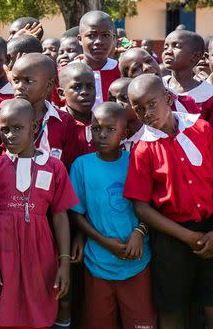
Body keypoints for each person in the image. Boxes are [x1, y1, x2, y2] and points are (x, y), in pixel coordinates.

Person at [124, 73, 213, 329]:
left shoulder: (201, 128)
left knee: (210, 303)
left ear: (167, 97)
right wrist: (186, 237)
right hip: (172, 237)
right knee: (172, 307)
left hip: (209, 228)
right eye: (139, 109)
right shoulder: (142, 149)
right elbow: (140, 206)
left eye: (152, 104)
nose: (147, 112)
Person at [0, 98, 77, 328]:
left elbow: (60, 216)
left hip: (41, 255)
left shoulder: (54, 166)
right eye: (4, 130)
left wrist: (64, 263)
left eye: (18, 128)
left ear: (34, 127)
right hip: (4, 255)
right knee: (5, 313)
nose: (10, 135)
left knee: (40, 313)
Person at [69, 102, 156, 329]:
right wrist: (105, 242)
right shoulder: (81, 166)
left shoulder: (136, 161)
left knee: (142, 323)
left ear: (124, 133)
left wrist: (139, 232)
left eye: (110, 129)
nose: (102, 135)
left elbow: (151, 206)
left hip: (137, 261)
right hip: (98, 262)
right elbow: (77, 215)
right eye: (96, 129)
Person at [0, 53, 80, 169]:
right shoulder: (2, 116)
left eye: (28, 81)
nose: (19, 87)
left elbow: (69, 167)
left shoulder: (64, 122)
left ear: (50, 85)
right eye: (15, 80)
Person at [119, 47, 200, 114]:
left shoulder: (186, 102)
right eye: (136, 68)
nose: (147, 67)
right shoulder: (128, 118)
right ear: (128, 79)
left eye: (149, 61)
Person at [162, 30, 213, 124]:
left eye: (176, 46)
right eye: (165, 47)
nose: (168, 52)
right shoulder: (159, 87)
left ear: (195, 56)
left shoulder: (208, 94)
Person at [77, 11, 120, 107]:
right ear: (80, 39)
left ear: (113, 38)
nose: (99, 41)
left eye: (105, 35)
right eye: (91, 35)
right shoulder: (66, 72)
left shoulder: (121, 71)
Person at [58, 63, 97, 155]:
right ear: (61, 94)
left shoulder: (103, 122)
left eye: (90, 87)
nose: (85, 92)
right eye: (77, 87)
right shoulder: (56, 123)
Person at [107, 77, 143, 150]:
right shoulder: (109, 140)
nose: (118, 103)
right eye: (112, 100)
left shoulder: (152, 136)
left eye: (125, 98)